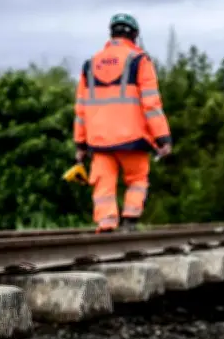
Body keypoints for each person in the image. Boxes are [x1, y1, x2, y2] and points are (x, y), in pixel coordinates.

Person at [73, 13, 172, 233]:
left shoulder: (90, 64)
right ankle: (129, 220)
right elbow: (151, 104)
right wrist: (163, 138)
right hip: (133, 138)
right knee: (136, 179)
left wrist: (80, 144)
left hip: (98, 140)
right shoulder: (139, 61)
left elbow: (80, 109)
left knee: (103, 184)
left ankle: (106, 224)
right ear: (134, 35)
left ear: (112, 33)